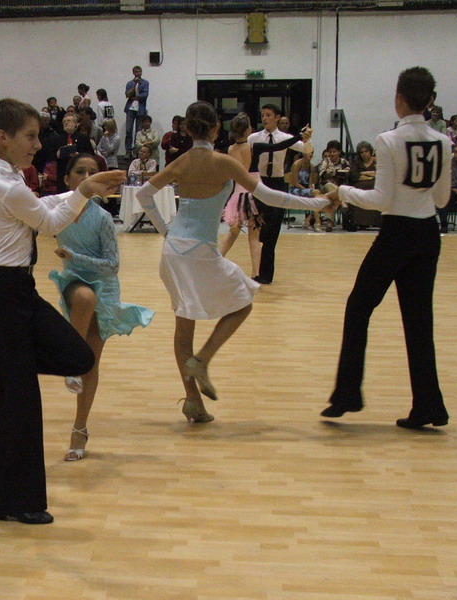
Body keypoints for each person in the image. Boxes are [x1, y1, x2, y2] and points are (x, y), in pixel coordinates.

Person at [0, 98, 124, 525]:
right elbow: (50, 223)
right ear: (3, 138)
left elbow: (42, 208)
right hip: (2, 296)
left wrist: (83, 190)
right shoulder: (6, 185)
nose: (38, 144)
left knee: (78, 357)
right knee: (20, 402)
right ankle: (17, 502)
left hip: (16, 292)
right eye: (31, 136)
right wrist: (85, 192)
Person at [135, 101, 332, 423]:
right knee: (243, 301)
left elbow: (143, 195)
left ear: (187, 129)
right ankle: (202, 360)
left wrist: (165, 229)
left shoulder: (180, 162)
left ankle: (194, 402)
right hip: (200, 251)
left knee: (184, 328)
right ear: (216, 129)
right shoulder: (223, 162)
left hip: (173, 251)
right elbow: (269, 196)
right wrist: (316, 203)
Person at [321, 67, 450, 430]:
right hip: (428, 235)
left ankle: (348, 394)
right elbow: (441, 199)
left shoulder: (388, 140)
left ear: (399, 98)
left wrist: (342, 191)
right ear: (429, 101)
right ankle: (429, 405)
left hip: (396, 235)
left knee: (358, 308)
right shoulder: (443, 142)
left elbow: (381, 199)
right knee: (419, 322)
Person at [48, 154, 154, 460]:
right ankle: (69, 360)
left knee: (91, 364)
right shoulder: (57, 211)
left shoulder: (103, 218)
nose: (86, 177)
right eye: (80, 171)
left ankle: (79, 429)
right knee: (84, 298)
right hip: (75, 283)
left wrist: (74, 256)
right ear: (67, 178)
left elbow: (113, 265)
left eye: (93, 172)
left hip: (104, 287)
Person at [247, 103, 313, 284]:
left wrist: (308, 139)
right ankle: (256, 271)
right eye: (262, 115)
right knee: (259, 229)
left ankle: (266, 275)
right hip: (259, 183)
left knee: (273, 229)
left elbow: (306, 150)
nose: (264, 118)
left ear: (277, 117)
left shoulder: (285, 137)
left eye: (268, 115)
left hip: (277, 183)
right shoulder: (254, 138)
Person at [218, 113, 263, 277]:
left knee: (232, 233)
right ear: (248, 130)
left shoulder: (230, 149)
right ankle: (255, 272)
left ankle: (215, 262)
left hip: (238, 195)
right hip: (254, 193)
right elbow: (279, 146)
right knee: (254, 236)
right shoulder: (253, 147)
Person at [124, 66, 149, 158]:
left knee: (138, 130)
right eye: (136, 72)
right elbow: (127, 94)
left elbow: (145, 94)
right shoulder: (129, 83)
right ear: (133, 73)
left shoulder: (145, 83)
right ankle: (128, 150)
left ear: (141, 72)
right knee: (128, 130)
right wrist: (134, 85)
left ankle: (136, 150)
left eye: (139, 71)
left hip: (140, 109)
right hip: (130, 109)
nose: (138, 73)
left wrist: (135, 97)